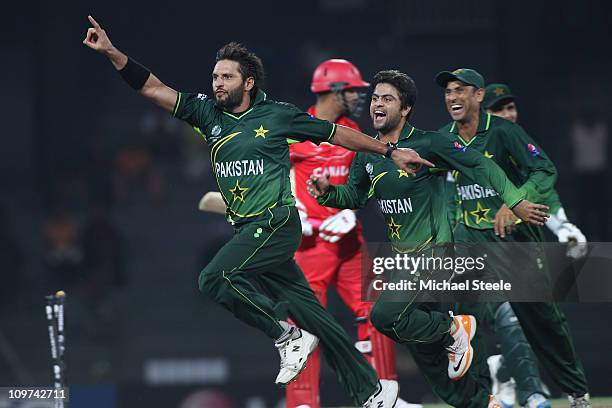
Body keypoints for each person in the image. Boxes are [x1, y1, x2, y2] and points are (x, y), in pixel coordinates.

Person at [82, 15, 434, 407]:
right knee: (319, 320)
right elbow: (152, 88)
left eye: (227, 77)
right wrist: (113, 53)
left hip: (276, 223)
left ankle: (286, 335)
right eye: (215, 76)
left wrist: (389, 150)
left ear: (248, 83)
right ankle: (374, 394)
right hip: (249, 231)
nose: (217, 82)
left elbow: (336, 134)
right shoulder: (206, 114)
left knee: (213, 279)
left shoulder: (277, 115)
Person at [308, 70, 548, 408]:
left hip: (437, 255)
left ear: (405, 109)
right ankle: (485, 404)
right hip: (404, 262)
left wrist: (517, 201)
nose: (377, 103)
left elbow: (482, 166)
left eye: (387, 98)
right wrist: (327, 192)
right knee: (433, 366)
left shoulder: (429, 143)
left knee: (383, 316)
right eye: (375, 98)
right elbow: (354, 196)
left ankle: (453, 328)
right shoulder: (368, 155)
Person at [436, 68, 591, 408]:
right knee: (467, 322)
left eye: (460, 90)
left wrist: (516, 202)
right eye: (448, 91)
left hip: (516, 242)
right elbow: (422, 174)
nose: (452, 97)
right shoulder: (444, 138)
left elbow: (545, 170)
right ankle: (484, 396)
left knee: (542, 319)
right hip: (472, 244)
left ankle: (576, 391)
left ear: (478, 96)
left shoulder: (506, 133)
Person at [288, 59, 416, 408]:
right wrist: (296, 214)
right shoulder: (295, 129)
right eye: (354, 90)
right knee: (303, 325)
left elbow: (363, 181)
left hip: (348, 243)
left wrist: (349, 210)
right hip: (308, 246)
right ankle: (302, 403)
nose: (362, 97)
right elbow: (269, 179)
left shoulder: (351, 131)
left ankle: (385, 395)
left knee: (377, 310)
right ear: (333, 90)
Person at [480, 82, 589, 408]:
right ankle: (529, 390)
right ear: (484, 115)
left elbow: (545, 190)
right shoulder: (470, 149)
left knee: (544, 321)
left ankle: (508, 374)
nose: (507, 114)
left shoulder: (524, 148)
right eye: (498, 109)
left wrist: (564, 226)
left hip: (525, 247)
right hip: (483, 247)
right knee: (508, 316)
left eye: (510, 107)